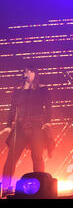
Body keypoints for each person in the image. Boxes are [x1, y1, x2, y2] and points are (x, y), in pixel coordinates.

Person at [1, 66, 53, 196]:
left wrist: (47, 121)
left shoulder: (42, 89)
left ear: (36, 73)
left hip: (36, 125)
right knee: (11, 157)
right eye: (25, 71)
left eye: (30, 71)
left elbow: (48, 106)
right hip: (20, 125)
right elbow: (13, 108)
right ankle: (6, 188)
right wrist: (8, 125)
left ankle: (40, 188)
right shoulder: (18, 91)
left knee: (37, 156)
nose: (27, 73)